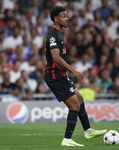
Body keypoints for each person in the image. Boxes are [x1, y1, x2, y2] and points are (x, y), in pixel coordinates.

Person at [44, 6, 106, 147]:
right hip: (55, 75)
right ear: (56, 18)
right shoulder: (53, 34)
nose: (66, 19)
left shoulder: (60, 34)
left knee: (79, 98)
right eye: (63, 16)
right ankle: (67, 140)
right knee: (74, 106)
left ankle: (88, 131)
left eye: (67, 16)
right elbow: (56, 57)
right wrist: (74, 70)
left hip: (60, 74)